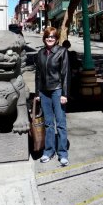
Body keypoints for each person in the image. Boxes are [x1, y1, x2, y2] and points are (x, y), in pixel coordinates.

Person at [35, 27, 70, 166]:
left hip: (57, 90)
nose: (50, 39)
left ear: (56, 39)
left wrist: (64, 94)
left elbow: (65, 74)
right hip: (44, 92)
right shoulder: (40, 53)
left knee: (60, 123)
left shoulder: (62, 52)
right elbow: (38, 75)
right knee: (48, 123)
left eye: (53, 37)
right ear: (44, 38)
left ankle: (62, 153)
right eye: (48, 36)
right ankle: (48, 151)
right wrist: (37, 93)